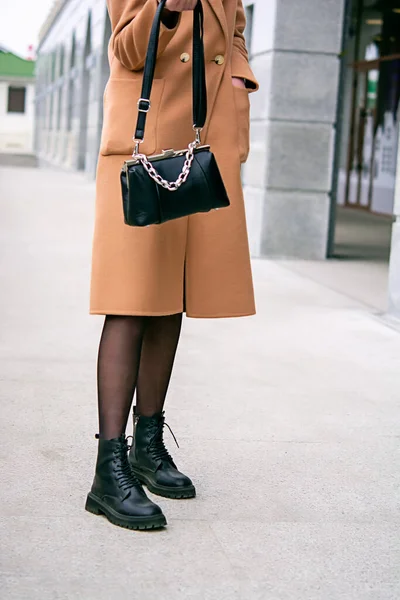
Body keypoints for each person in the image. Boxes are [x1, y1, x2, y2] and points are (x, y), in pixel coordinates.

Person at [86, 0, 259, 530]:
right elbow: (125, 49)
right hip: (145, 148)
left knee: (170, 301)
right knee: (131, 300)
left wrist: (238, 84)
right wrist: (165, 12)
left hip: (203, 144)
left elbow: (234, 34)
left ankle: (148, 445)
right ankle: (107, 470)